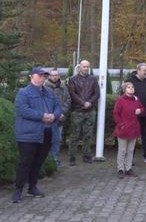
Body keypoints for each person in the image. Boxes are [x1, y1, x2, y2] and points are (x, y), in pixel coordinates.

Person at [12, 67, 62, 203]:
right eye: (39, 76)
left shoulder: (50, 92)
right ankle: (18, 190)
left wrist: (54, 115)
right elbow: (23, 110)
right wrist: (42, 116)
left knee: (38, 162)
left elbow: (58, 107)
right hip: (28, 135)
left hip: (46, 133)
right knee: (25, 162)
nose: (42, 78)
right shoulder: (24, 93)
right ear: (31, 76)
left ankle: (32, 187)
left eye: (43, 76)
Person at [67, 59, 100, 166]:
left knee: (88, 135)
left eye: (87, 67)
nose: (86, 68)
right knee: (75, 135)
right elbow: (72, 94)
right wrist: (83, 103)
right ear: (80, 67)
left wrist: (89, 102)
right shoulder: (73, 80)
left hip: (90, 111)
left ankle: (86, 155)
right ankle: (72, 156)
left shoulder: (93, 79)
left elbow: (96, 93)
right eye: (84, 66)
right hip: (77, 111)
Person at [113, 82, 144, 178]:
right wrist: (121, 124)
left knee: (130, 150)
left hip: (133, 129)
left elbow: (142, 109)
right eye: (129, 87)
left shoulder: (136, 99)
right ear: (124, 89)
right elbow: (116, 113)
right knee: (122, 150)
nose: (131, 89)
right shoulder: (120, 100)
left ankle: (128, 168)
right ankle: (120, 169)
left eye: (132, 87)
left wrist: (140, 110)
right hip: (123, 130)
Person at [127, 63, 146, 164]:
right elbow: (124, 97)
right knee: (132, 136)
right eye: (144, 70)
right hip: (134, 115)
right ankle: (129, 158)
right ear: (138, 70)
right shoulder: (130, 82)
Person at [44, 69, 71, 167]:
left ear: (59, 76)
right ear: (49, 76)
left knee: (57, 139)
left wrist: (62, 112)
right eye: (53, 75)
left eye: (56, 75)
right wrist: (51, 115)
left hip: (60, 119)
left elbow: (68, 100)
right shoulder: (44, 87)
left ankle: (54, 158)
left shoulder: (64, 86)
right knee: (47, 139)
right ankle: (47, 160)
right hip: (48, 119)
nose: (55, 77)